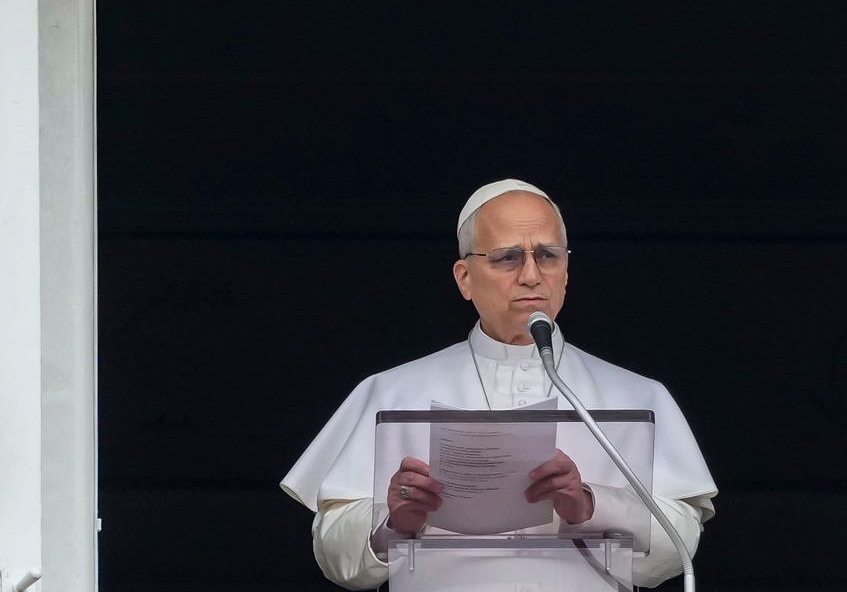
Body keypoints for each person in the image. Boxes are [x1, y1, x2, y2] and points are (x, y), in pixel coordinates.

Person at [281, 179, 717, 590]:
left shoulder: (638, 396)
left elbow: (679, 547)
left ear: (566, 272)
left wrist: (589, 505)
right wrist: (395, 521)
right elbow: (333, 553)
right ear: (465, 278)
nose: (531, 274)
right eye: (507, 257)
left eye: (547, 255)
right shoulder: (390, 392)